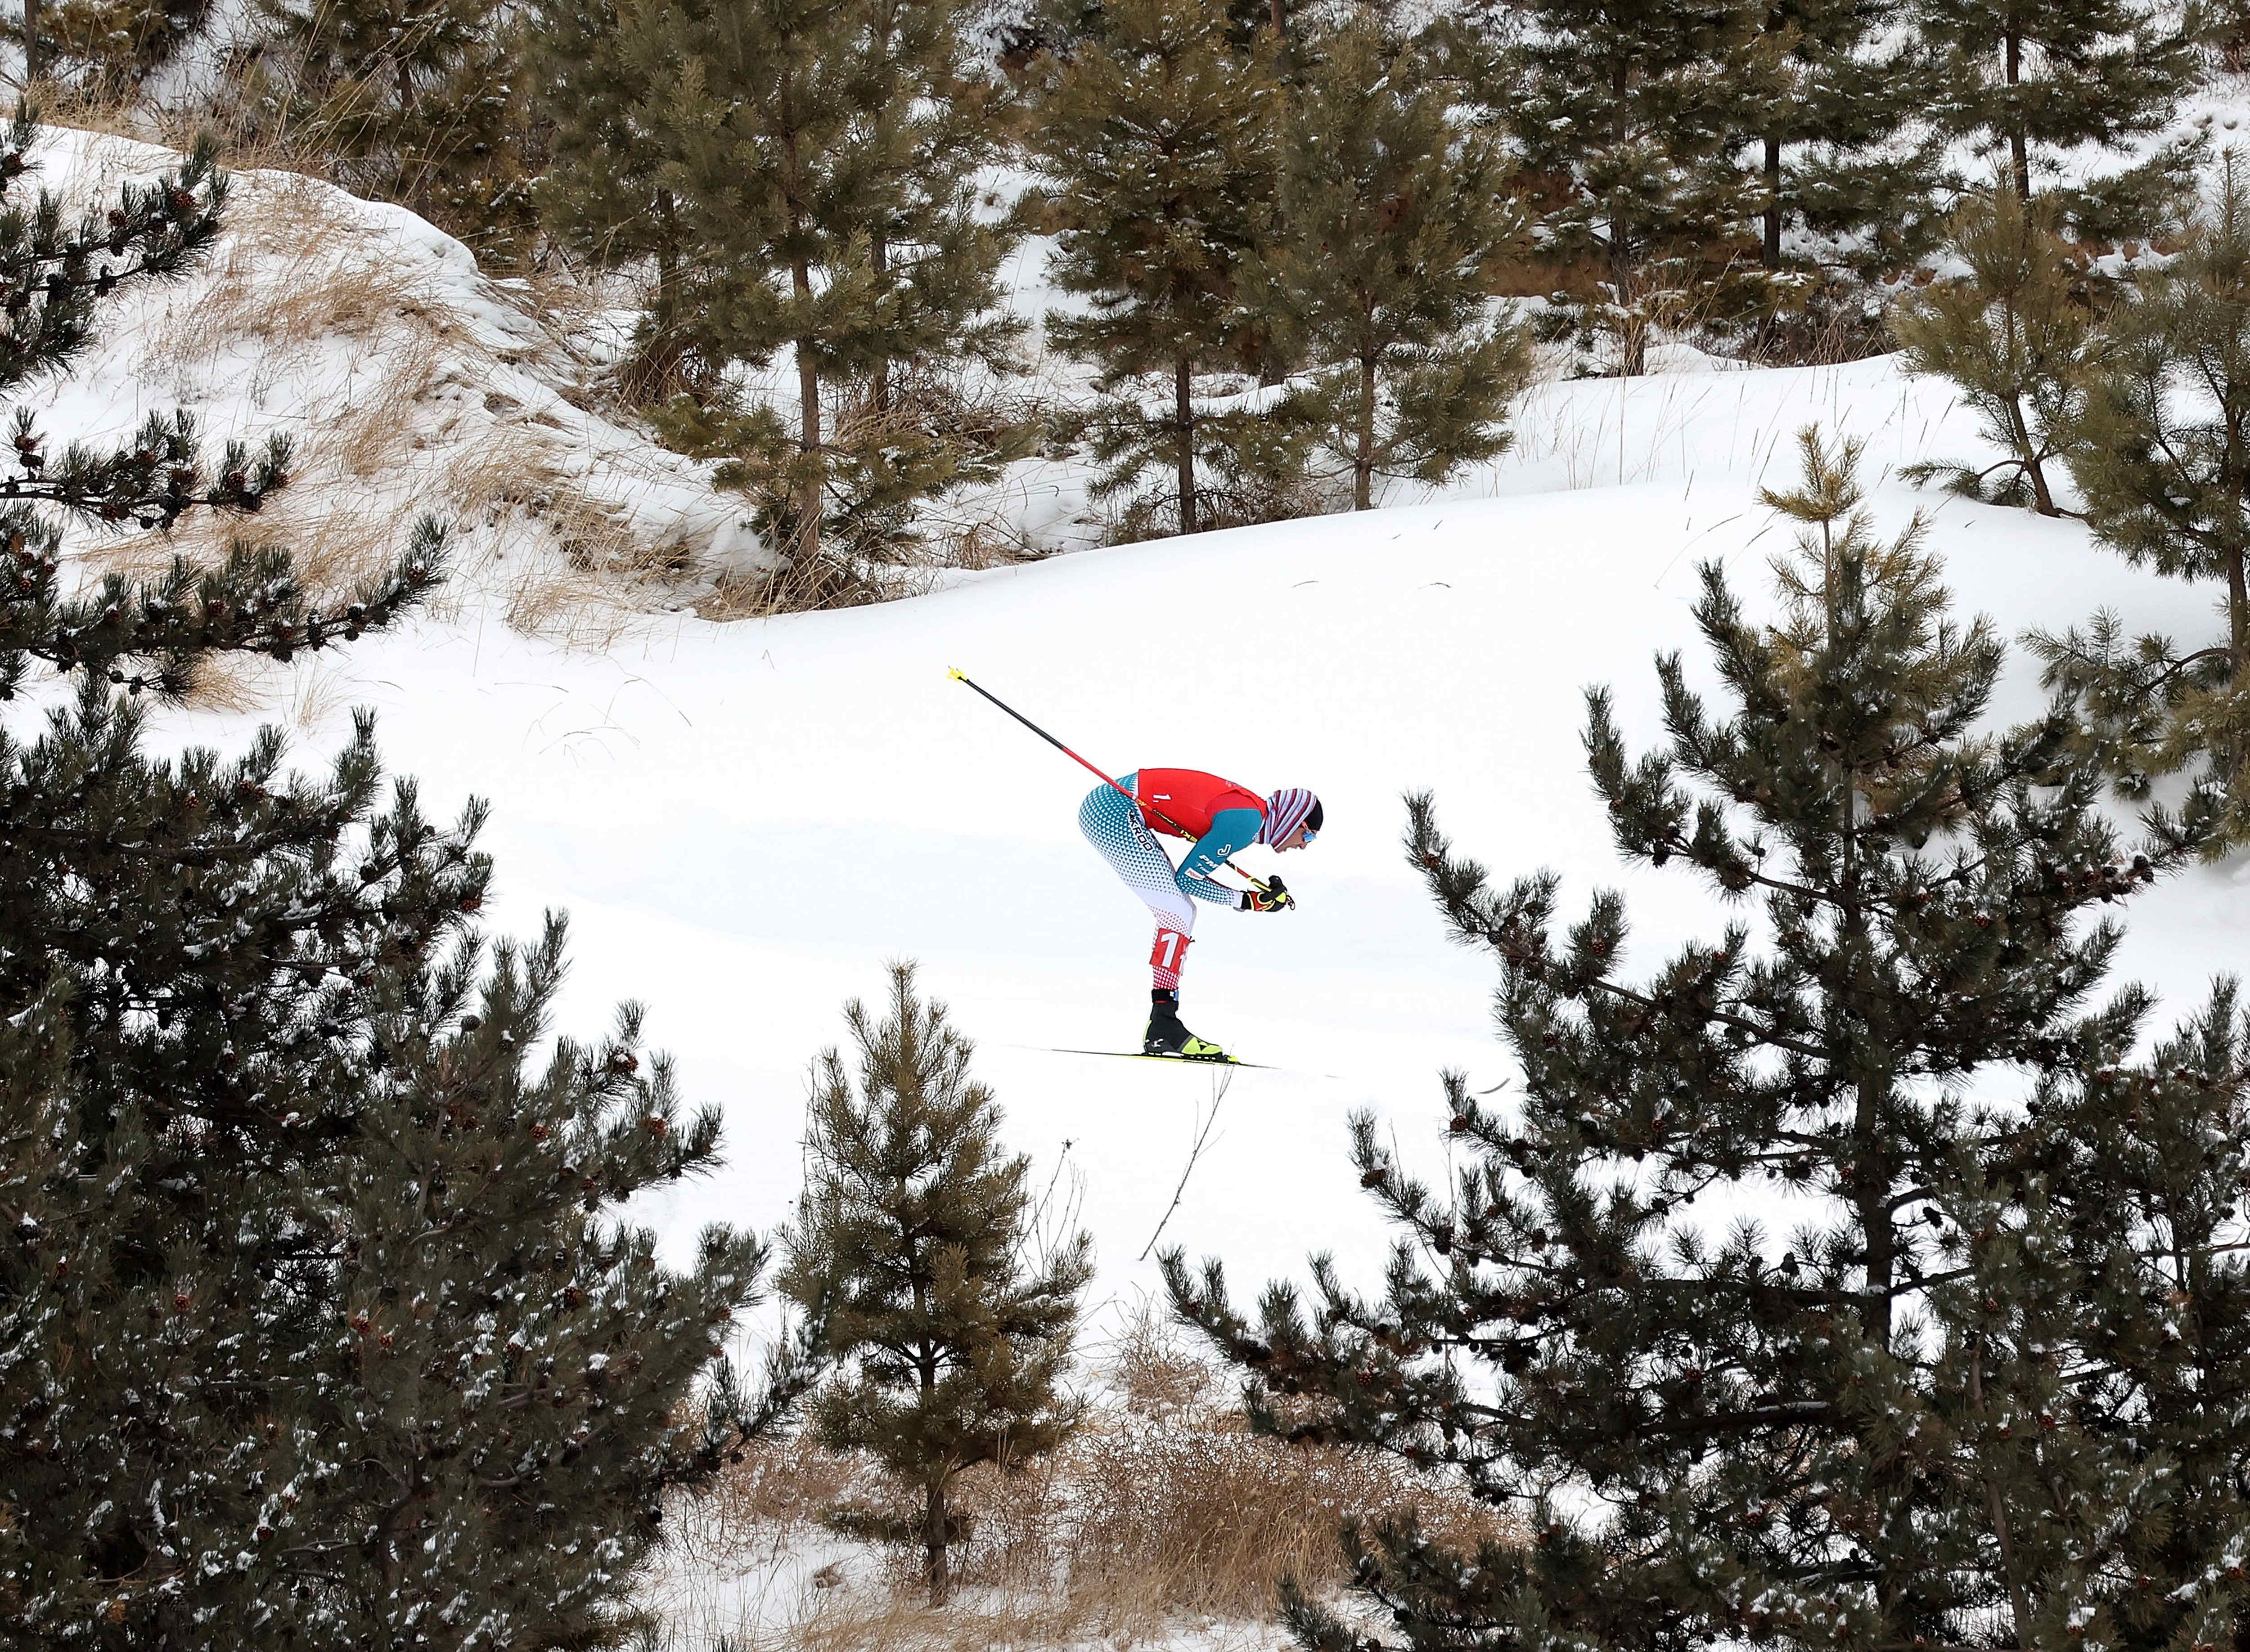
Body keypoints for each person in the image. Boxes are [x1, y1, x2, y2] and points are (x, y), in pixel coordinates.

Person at [1078, 768, 1322, 1059]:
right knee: (1178, 911)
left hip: (1116, 804)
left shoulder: (1250, 816)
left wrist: (1251, 899)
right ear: (1293, 819)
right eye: (1308, 834)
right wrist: (1248, 902)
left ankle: (1163, 1023)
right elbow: (1189, 880)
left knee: (1180, 911)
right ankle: (1163, 1025)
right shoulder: (1247, 821)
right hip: (1114, 809)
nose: (1305, 845)